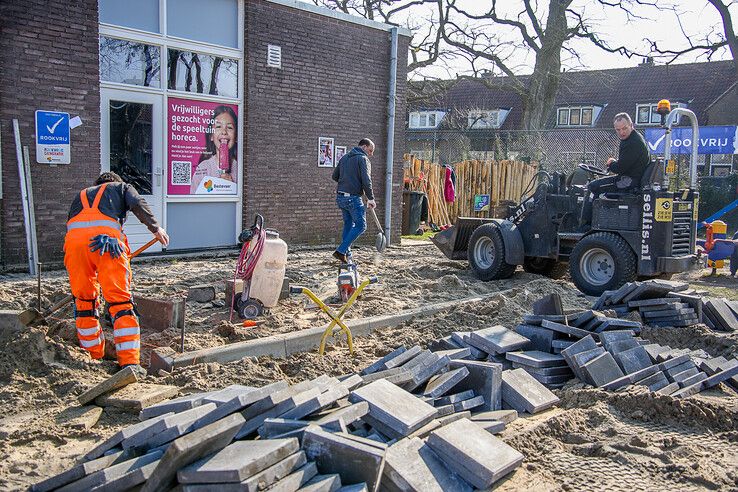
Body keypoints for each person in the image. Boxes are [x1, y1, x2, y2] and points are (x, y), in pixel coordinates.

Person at [64, 172, 169, 369]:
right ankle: (129, 363)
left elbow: (75, 227)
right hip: (108, 245)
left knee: (84, 303)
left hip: (74, 247)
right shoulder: (121, 187)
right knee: (120, 303)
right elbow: (137, 202)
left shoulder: (81, 195)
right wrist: (156, 228)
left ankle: (92, 357)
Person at [579, 112, 649, 229]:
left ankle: (585, 225)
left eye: (624, 128)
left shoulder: (633, 143)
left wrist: (611, 163)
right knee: (598, 185)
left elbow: (620, 168)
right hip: (631, 178)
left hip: (628, 182)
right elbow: (626, 163)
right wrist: (614, 163)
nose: (621, 132)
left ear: (631, 125)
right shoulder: (633, 139)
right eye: (618, 130)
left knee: (592, 187)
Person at [331, 138, 377, 263]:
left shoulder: (345, 157)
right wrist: (371, 198)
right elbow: (367, 181)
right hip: (353, 198)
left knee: (348, 224)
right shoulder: (363, 159)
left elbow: (334, 176)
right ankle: (341, 251)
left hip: (341, 197)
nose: (371, 154)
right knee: (361, 226)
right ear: (363, 147)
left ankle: (347, 253)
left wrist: (348, 179)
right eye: (370, 150)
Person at [191, 105, 238, 193]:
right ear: (211, 136)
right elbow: (193, 198)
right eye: (218, 127)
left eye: (230, 127)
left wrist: (231, 186)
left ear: (236, 137)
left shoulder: (240, 169)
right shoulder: (203, 168)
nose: (224, 132)